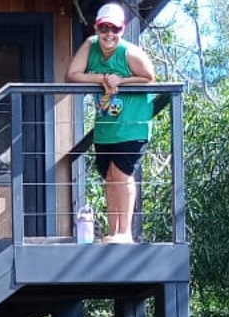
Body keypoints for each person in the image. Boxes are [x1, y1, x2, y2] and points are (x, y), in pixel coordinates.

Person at [66, 2, 155, 244]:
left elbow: (149, 76)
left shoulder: (129, 53)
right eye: (104, 28)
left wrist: (122, 81)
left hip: (131, 125)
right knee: (110, 176)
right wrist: (103, 78)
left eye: (114, 29)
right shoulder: (90, 45)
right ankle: (114, 231)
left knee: (122, 174)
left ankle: (125, 232)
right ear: (96, 28)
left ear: (122, 30)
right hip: (106, 127)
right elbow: (72, 75)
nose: (109, 34)